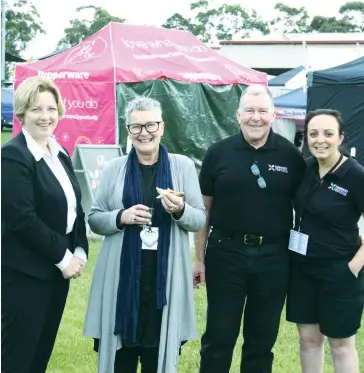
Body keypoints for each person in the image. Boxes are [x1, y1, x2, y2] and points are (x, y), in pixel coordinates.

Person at [83, 97, 206, 373]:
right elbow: (94, 218)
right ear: (128, 131)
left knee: (156, 355)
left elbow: (198, 218)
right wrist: (121, 217)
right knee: (122, 358)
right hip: (122, 278)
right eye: (136, 127)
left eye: (150, 124)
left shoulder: (182, 166)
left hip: (163, 278)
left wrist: (180, 210)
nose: (144, 132)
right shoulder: (115, 168)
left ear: (161, 127)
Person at [194, 84, 306, 373]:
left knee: (261, 340)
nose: (255, 118)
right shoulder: (217, 153)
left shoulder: (290, 156)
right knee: (219, 336)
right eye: (249, 111)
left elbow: (306, 210)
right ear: (238, 114)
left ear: (273, 114)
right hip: (225, 254)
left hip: (274, 257)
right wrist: (198, 258)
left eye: (262, 111)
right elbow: (203, 211)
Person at [1, 76, 89, 373]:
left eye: (51, 109)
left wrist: (79, 249)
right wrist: (64, 258)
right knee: (17, 358)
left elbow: (74, 207)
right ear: (22, 113)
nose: (45, 116)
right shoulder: (13, 156)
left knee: (40, 355)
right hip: (25, 276)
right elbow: (22, 220)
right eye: (36, 109)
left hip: (55, 275)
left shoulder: (59, 151)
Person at [286, 109, 364, 373]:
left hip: (339, 272)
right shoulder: (305, 168)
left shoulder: (355, 175)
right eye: (313, 134)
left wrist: (353, 266)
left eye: (328, 134)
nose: (320, 140)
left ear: (340, 137)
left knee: (341, 344)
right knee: (308, 340)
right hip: (303, 270)